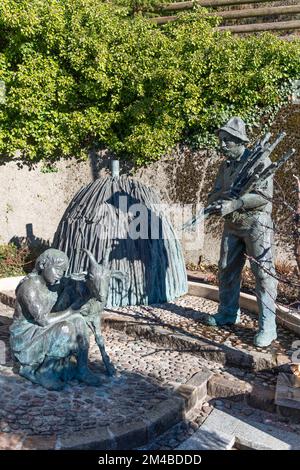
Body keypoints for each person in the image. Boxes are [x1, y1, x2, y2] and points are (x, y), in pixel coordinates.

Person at [206, 117, 278, 347]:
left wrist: (235, 203)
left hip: (257, 224)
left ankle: (269, 326)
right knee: (226, 267)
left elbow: (263, 196)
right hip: (232, 225)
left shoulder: (260, 161)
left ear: (240, 141)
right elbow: (216, 192)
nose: (223, 144)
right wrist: (215, 204)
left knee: (264, 274)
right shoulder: (225, 166)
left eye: (227, 140)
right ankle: (228, 312)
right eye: (221, 140)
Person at [9, 248, 101, 390]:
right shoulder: (28, 288)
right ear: (43, 265)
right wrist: (71, 310)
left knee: (79, 320)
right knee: (66, 328)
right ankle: (45, 371)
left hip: (40, 329)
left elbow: (75, 283)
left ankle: (82, 369)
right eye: (58, 269)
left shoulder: (54, 283)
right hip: (27, 336)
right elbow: (43, 320)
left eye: (63, 271)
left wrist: (92, 281)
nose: (60, 274)